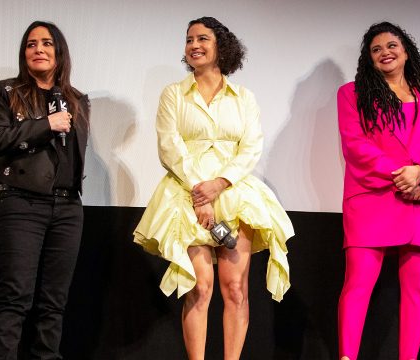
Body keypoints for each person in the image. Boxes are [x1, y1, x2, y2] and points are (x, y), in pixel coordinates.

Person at [133, 16, 294, 359]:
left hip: (234, 193)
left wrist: (219, 184)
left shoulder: (243, 97)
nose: (194, 45)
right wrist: (199, 191)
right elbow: (169, 146)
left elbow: (251, 146)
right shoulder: (174, 94)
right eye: (189, 39)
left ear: (221, 46)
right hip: (185, 193)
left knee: (235, 289)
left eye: (202, 38)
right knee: (200, 288)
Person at [336, 22, 420, 360]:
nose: (385, 53)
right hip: (373, 200)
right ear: (369, 59)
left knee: (417, 291)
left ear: (406, 50)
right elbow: (355, 145)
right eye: (376, 49)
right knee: (358, 285)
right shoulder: (352, 94)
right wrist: (401, 177)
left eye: (391, 45)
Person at [0, 21, 90, 359]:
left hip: (68, 209)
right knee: (14, 298)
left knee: (54, 302)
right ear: (24, 53)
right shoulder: (5, 92)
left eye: (47, 43)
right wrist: (46, 124)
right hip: (21, 203)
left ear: (59, 52)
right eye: (32, 44)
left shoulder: (76, 100)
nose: (39, 49)